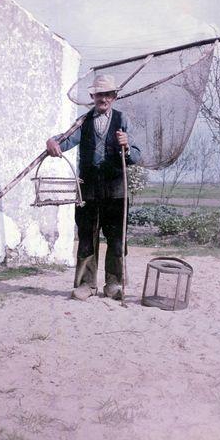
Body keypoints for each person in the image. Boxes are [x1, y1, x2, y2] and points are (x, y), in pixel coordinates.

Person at [46, 74, 141, 301]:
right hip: (87, 189)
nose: (103, 99)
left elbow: (136, 155)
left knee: (117, 237)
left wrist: (126, 147)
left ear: (114, 97)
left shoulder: (122, 120)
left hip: (116, 190)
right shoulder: (83, 121)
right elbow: (65, 140)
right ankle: (86, 285)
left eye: (108, 94)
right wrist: (52, 142)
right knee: (87, 236)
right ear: (92, 96)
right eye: (99, 94)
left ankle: (114, 284)